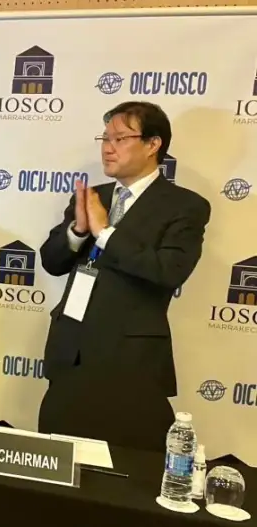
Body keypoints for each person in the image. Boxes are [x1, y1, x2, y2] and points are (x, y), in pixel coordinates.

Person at [38, 101, 211, 436]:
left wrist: (105, 233)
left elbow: (169, 270)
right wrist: (78, 231)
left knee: (126, 464)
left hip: (131, 364)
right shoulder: (92, 197)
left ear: (152, 144)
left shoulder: (185, 206)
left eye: (119, 139)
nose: (108, 148)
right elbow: (51, 261)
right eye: (104, 139)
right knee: (59, 455)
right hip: (70, 356)